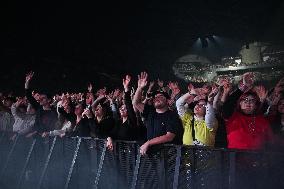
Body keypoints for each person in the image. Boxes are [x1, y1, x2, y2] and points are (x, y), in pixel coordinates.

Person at [133, 72, 183, 155]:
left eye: (160, 96)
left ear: (167, 101)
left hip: (166, 157)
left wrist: (148, 143)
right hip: (150, 155)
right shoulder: (150, 112)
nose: (157, 98)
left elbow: (169, 136)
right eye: (155, 97)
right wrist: (139, 88)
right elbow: (136, 103)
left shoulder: (172, 115)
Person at [222, 72, 273, 150]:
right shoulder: (232, 117)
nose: (248, 102)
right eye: (245, 100)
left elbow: (270, 142)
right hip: (235, 160)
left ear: (256, 105)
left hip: (257, 160)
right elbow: (227, 105)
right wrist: (243, 87)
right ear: (239, 103)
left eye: (252, 100)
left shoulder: (262, 120)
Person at [24, 71, 58, 136]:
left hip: (44, 139)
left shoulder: (53, 112)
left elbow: (48, 127)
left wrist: (35, 133)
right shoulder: (38, 107)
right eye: (40, 98)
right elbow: (28, 95)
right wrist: (27, 82)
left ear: (49, 100)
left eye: (43, 98)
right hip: (34, 137)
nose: (40, 99)